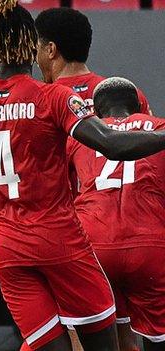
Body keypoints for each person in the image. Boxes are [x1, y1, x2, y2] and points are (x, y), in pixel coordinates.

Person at [0, 0, 165, 349]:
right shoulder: (53, 98)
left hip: (7, 248)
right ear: (29, 46)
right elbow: (113, 146)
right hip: (64, 240)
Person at [67, 77, 165, 351]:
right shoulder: (159, 128)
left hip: (95, 245)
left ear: (96, 112)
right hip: (150, 244)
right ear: (139, 107)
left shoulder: (81, 137)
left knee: (105, 337)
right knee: (158, 337)